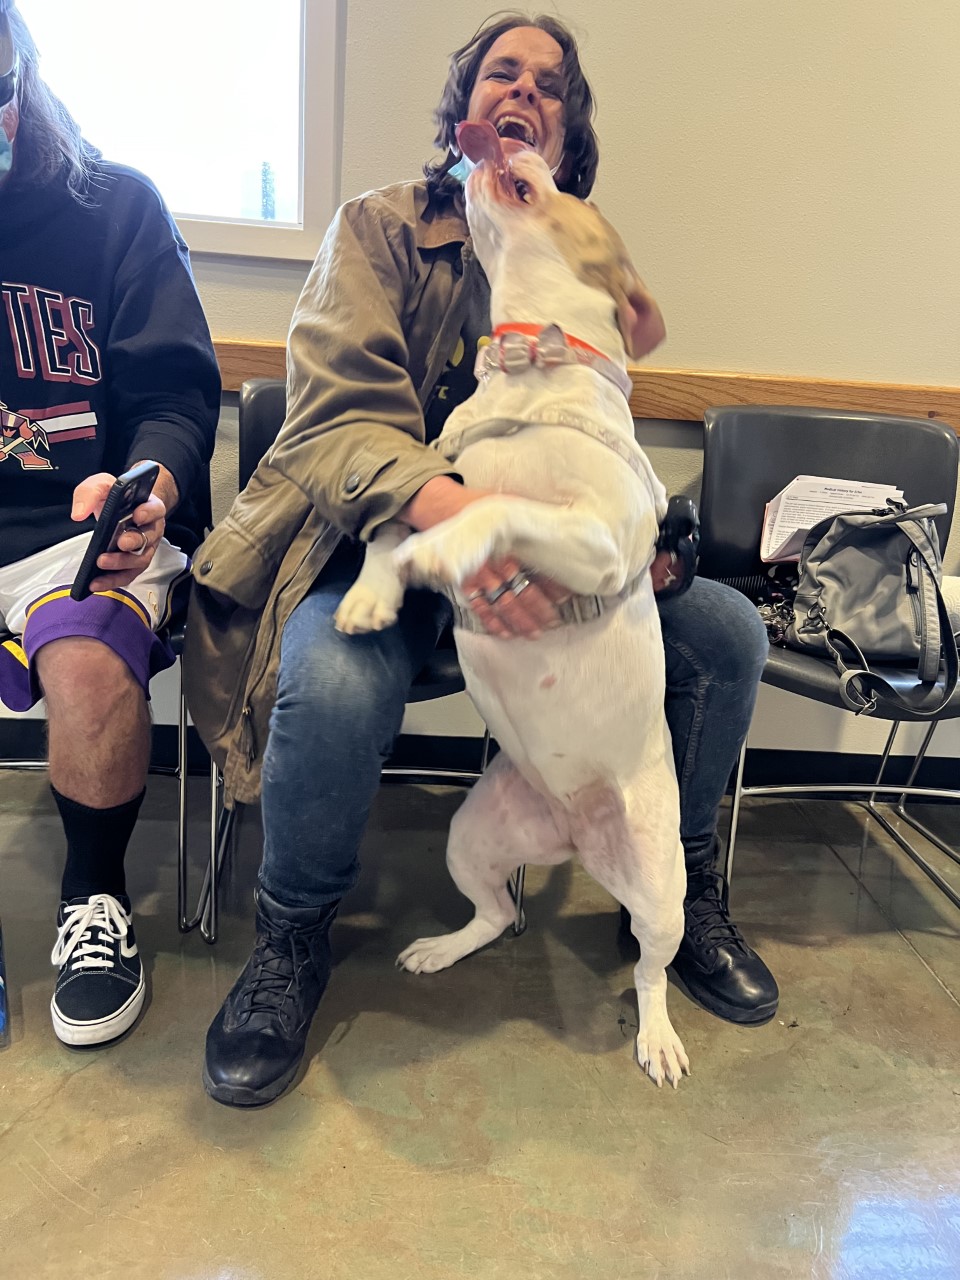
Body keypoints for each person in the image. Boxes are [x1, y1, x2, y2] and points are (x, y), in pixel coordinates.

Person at [185, 11, 777, 1109]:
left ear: (565, 131)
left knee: (729, 635)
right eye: (502, 71)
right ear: (467, 111)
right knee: (331, 669)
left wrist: (656, 538)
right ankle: (292, 936)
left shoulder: (578, 249)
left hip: (552, 574)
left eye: (548, 84)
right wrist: (461, 516)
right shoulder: (376, 229)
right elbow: (330, 426)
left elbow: (610, 434)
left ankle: (679, 892)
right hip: (389, 547)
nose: (525, 90)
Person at [0, 3, 220, 1046]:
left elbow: (177, 399)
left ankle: (97, 896)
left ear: (26, 82)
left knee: (87, 654)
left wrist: (149, 490)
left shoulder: (115, 207)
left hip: (79, 525)